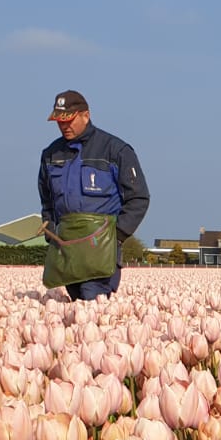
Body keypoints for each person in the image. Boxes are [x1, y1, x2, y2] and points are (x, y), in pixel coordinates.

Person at [38, 90, 150, 301]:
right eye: (60, 121)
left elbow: (139, 198)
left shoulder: (115, 151)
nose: (64, 126)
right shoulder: (51, 155)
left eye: (69, 120)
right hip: (68, 249)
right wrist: (51, 231)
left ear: (86, 115)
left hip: (101, 249)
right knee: (75, 305)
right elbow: (47, 201)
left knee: (92, 302)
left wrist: (116, 235)